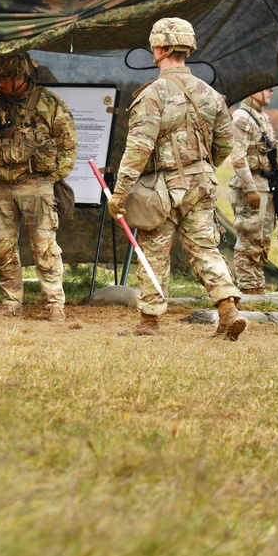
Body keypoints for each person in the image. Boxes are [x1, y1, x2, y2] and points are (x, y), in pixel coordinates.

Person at [107, 18, 246, 339]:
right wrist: (201, 167)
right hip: (203, 183)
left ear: (158, 49)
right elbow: (225, 143)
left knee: (154, 249)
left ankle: (150, 321)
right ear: (187, 48)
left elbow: (139, 148)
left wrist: (120, 192)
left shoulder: (153, 94)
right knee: (205, 248)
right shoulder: (211, 94)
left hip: (164, 188)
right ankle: (228, 310)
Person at [0, 53, 76, 321]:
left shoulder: (49, 104)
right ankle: (10, 301)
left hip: (35, 185)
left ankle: (54, 304)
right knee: (2, 246)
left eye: (4, 78)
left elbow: (67, 146)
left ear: (21, 77)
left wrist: (48, 179)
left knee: (44, 246)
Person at [228, 87, 278, 294]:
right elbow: (237, 156)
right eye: (266, 88)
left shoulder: (261, 117)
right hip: (251, 188)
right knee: (249, 240)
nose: (271, 91)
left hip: (266, 187)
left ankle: (256, 286)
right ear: (251, 91)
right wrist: (250, 188)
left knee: (262, 240)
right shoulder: (242, 117)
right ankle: (248, 289)